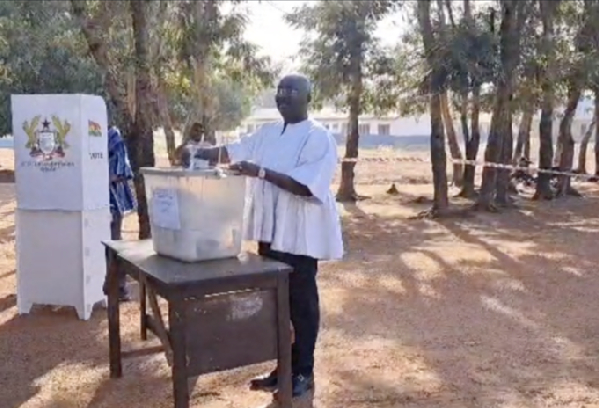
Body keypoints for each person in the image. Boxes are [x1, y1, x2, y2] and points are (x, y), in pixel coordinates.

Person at [181, 73, 344, 397]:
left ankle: (303, 372)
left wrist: (260, 172)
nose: (283, 98)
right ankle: (283, 367)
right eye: (280, 93)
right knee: (275, 303)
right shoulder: (269, 132)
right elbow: (235, 150)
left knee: (301, 303)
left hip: (299, 234)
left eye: (291, 92)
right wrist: (197, 153)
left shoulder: (318, 137)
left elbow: (305, 185)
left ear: (307, 97)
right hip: (271, 230)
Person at [102, 125, 136, 301]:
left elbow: (121, 172)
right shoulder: (89, 136)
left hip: (112, 202)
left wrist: (101, 176)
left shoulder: (114, 138)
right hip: (95, 202)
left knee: (113, 245)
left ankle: (118, 288)